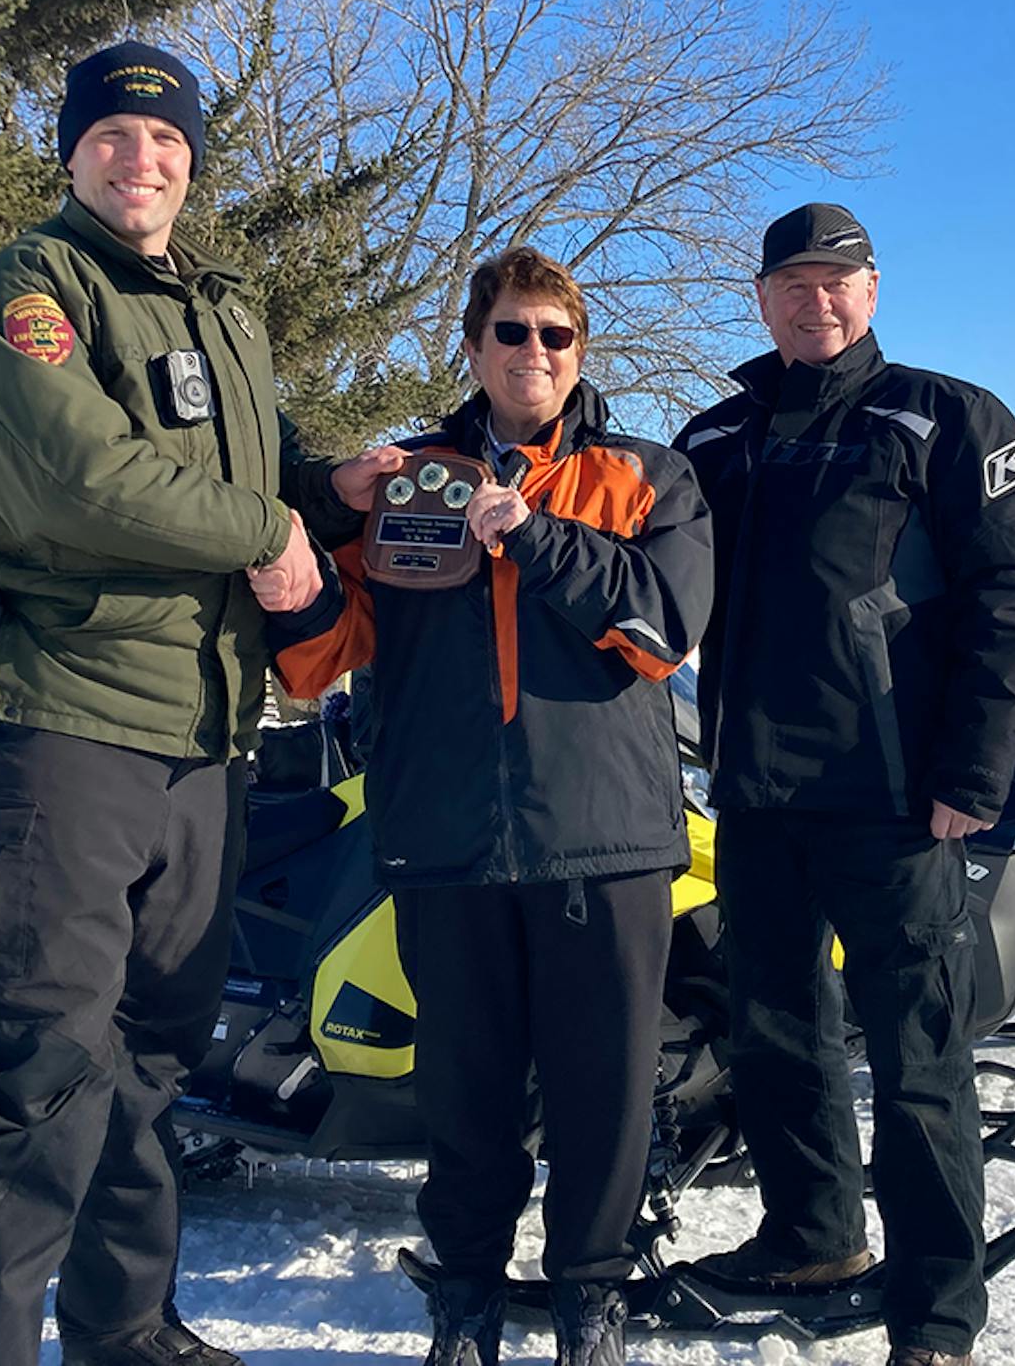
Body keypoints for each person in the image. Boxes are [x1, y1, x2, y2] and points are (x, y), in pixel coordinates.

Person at [0, 41, 383, 1366]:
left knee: (149, 1062)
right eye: (114, 134)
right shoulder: (29, 293)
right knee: (36, 1075)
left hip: (205, 742)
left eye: (167, 141)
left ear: (193, 162)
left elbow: (252, 463)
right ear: (71, 150)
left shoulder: (218, 308)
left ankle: (124, 1328)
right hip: (70, 731)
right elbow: (77, 478)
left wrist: (336, 489)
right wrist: (272, 532)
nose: (141, 158)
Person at [260, 248, 714, 1366]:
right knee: (464, 1092)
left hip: (602, 840)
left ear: (580, 354)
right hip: (444, 835)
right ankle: (463, 1293)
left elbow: (665, 627)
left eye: (555, 335)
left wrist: (536, 536)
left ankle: (588, 1298)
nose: (533, 354)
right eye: (510, 332)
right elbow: (328, 655)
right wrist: (289, 575)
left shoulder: (648, 475)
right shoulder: (404, 479)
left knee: (602, 1092)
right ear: (473, 347)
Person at [673, 205, 1015, 1366]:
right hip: (756, 795)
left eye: (837, 280)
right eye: (791, 281)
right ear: (761, 299)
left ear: (874, 290)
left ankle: (938, 1313)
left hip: (896, 801)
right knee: (776, 1031)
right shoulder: (717, 436)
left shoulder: (947, 418)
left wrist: (973, 769)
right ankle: (811, 1232)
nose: (815, 300)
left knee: (919, 1059)